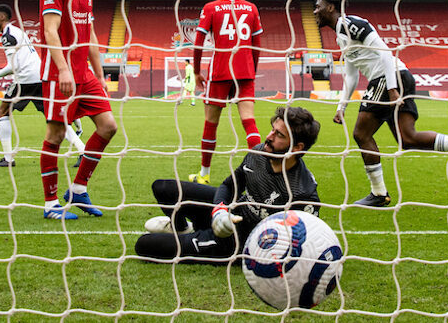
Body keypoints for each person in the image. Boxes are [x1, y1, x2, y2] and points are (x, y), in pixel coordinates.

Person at [313, 0, 448, 207]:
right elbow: (352, 75)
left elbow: (385, 53)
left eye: (318, 6)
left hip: (388, 79)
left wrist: (392, 89)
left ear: (330, 7)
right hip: (398, 77)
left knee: (361, 133)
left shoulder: (352, 24)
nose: (314, 11)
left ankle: (378, 193)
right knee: (407, 138)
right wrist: (342, 106)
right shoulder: (341, 37)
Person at [135, 106, 321, 263]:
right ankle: (185, 229)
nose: (269, 137)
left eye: (279, 134)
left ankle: (197, 237)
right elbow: (229, 186)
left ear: (297, 147)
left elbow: (298, 246)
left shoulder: (303, 194)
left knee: (144, 244)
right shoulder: (259, 153)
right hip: (231, 214)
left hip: (237, 242)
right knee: (163, 188)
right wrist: (220, 211)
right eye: (272, 129)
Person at [37, 0, 118, 219]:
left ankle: (78, 189)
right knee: (56, 135)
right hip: (60, 74)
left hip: (84, 75)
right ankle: (50, 205)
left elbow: (91, 36)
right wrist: (63, 69)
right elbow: (50, 32)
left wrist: (100, 73)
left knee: (108, 126)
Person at [0, 3, 86, 168]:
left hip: (25, 80)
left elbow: (14, 66)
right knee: (53, 118)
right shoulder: (17, 32)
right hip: (37, 76)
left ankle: (8, 159)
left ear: (2, 17)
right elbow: (17, 62)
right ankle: (82, 149)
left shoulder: (7, 36)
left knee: (2, 111)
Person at [189, 0, 263, 185]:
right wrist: (252, 70)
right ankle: (261, 174)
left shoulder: (211, 7)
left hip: (220, 71)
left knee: (211, 123)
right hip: (245, 72)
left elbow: (198, 42)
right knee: (249, 121)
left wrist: (196, 70)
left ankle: (204, 174)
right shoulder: (251, 8)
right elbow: (257, 45)